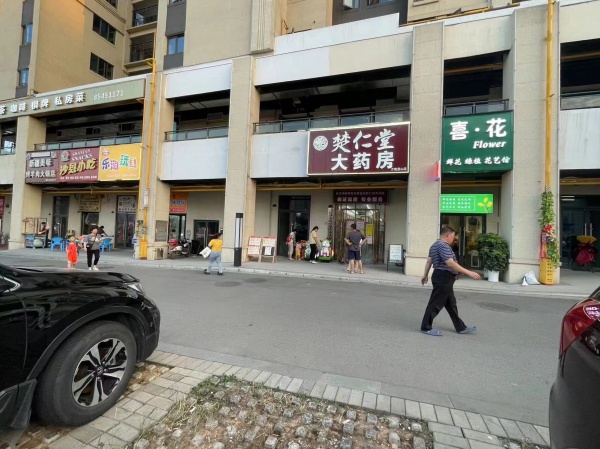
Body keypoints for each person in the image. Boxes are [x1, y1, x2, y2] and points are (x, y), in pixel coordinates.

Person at [420, 226, 481, 336]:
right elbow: (450, 263)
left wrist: (425, 275)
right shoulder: (443, 246)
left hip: (442, 277)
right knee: (435, 303)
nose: (453, 239)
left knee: (451, 304)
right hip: (443, 278)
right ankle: (426, 327)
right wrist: (469, 272)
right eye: (452, 237)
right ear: (447, 235)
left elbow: (429, 261)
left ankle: (460, 327)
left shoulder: (434, 245)